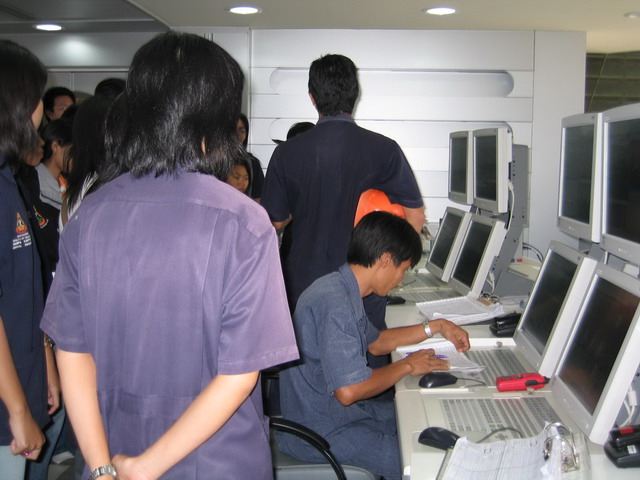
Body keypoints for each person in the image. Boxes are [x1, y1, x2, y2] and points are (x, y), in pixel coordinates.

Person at [41, 31, 298, 480]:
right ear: (215, 116)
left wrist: (101, 467)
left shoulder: (92, 213)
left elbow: (72, 350)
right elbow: (239, 374)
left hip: (112, 450)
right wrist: (146, 468)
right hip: (214, 463)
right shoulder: (243, 222)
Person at [278, 211, 470, 479]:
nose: (400, 280)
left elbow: (378, 343)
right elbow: (349, 391)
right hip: (322, 431)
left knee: (420, 416)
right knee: (420, 464)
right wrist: (407, 366)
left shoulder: (340, 287)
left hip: (336, 414)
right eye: (403, 270)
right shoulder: (336, 304)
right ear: (385, 260)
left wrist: (436, 327)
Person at [261, 54, 425, 340]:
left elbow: (275, 221)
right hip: (362, 286)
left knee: (310, 360)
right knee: (365, 356)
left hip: (303, 285)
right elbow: (415, 218)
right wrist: (390, 269)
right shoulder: (385, 150)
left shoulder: (286, 153)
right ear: (355, 94)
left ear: (312, 98)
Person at [0, 38, 60, 480]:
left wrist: (45, 368)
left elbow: (25, 290)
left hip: (22, 380)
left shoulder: (10, 181)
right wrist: (18, 409)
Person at [236, 113, 265, 201]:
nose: (237, 135)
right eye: (233, 130)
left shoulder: (252, 162)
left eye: (241, 131)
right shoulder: (214, 161)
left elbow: (258, 197)